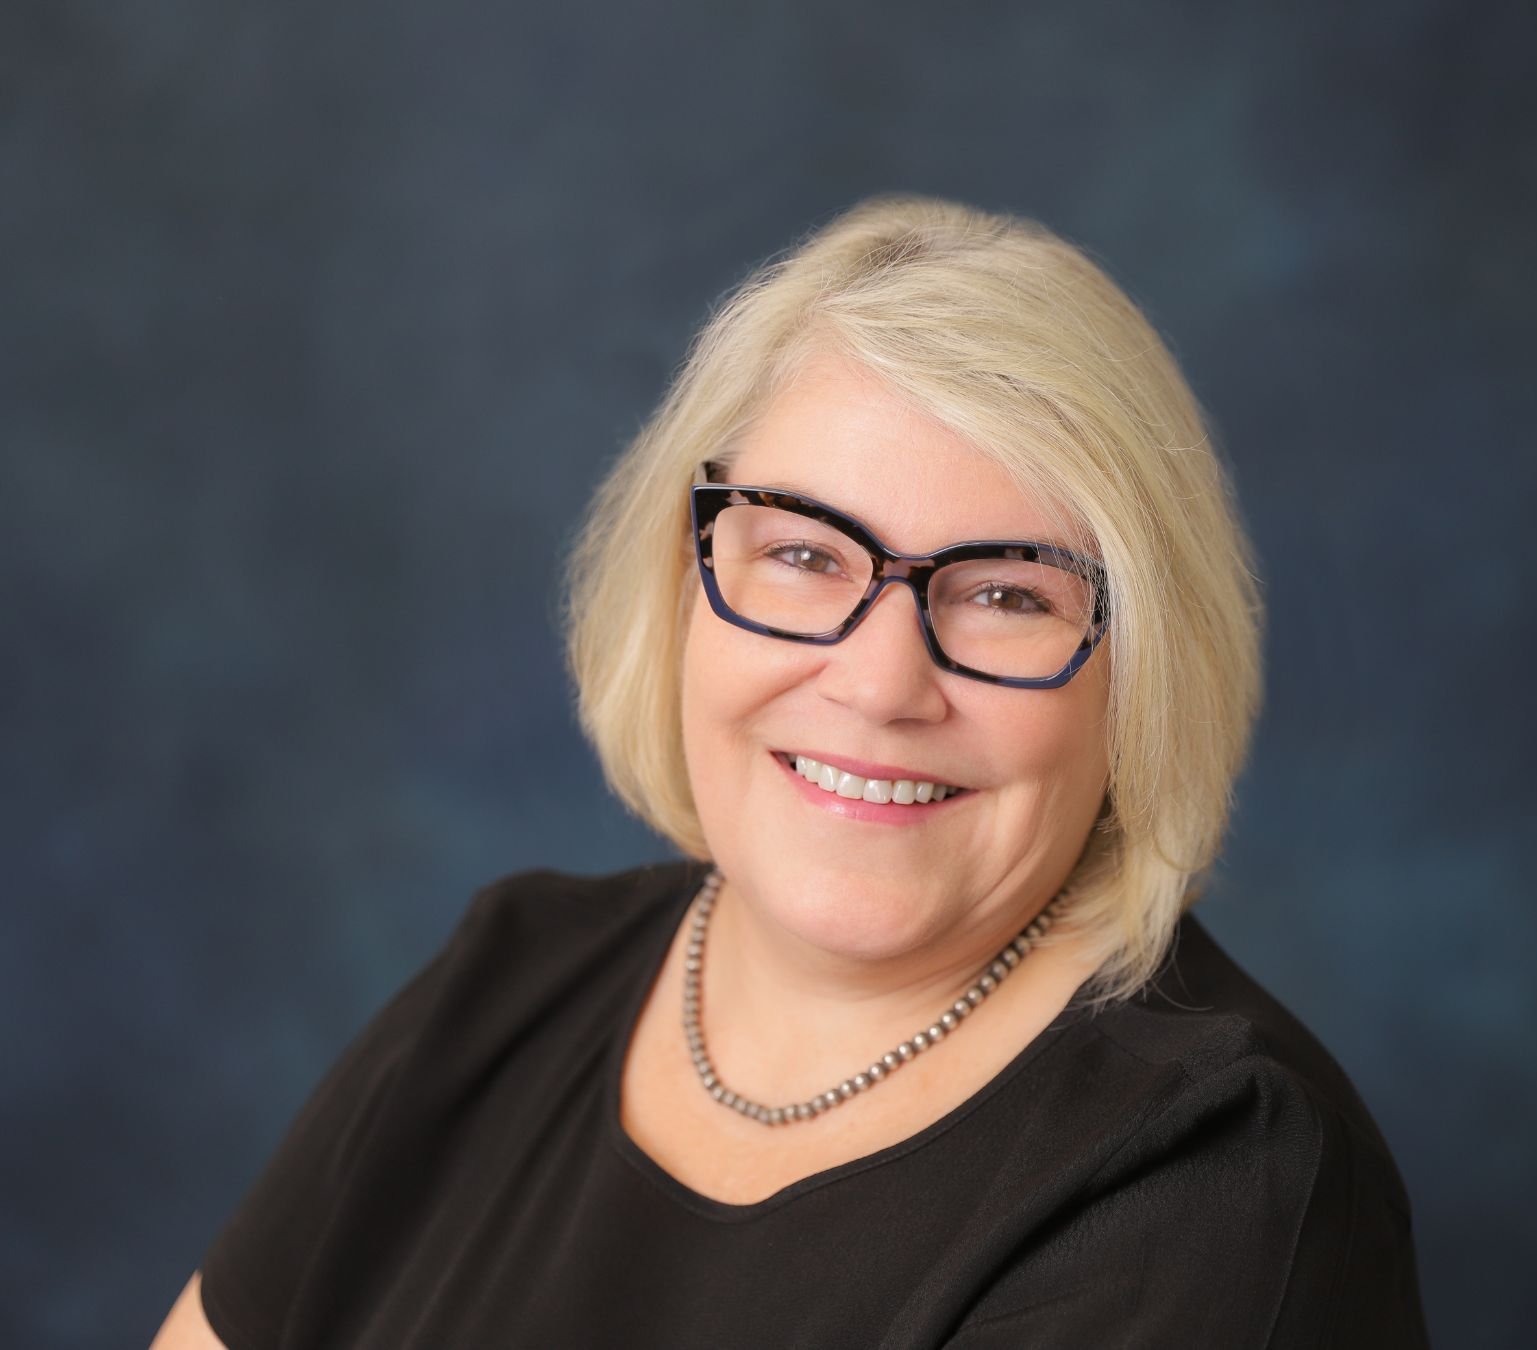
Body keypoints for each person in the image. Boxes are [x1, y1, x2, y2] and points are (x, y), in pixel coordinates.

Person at [152, 196, 1429, 1348]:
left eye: (1001, 594)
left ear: (1140, 674)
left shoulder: (1215, 1186)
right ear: (686, 578)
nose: (879, 685)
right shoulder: (501, 989)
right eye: (808, 557)